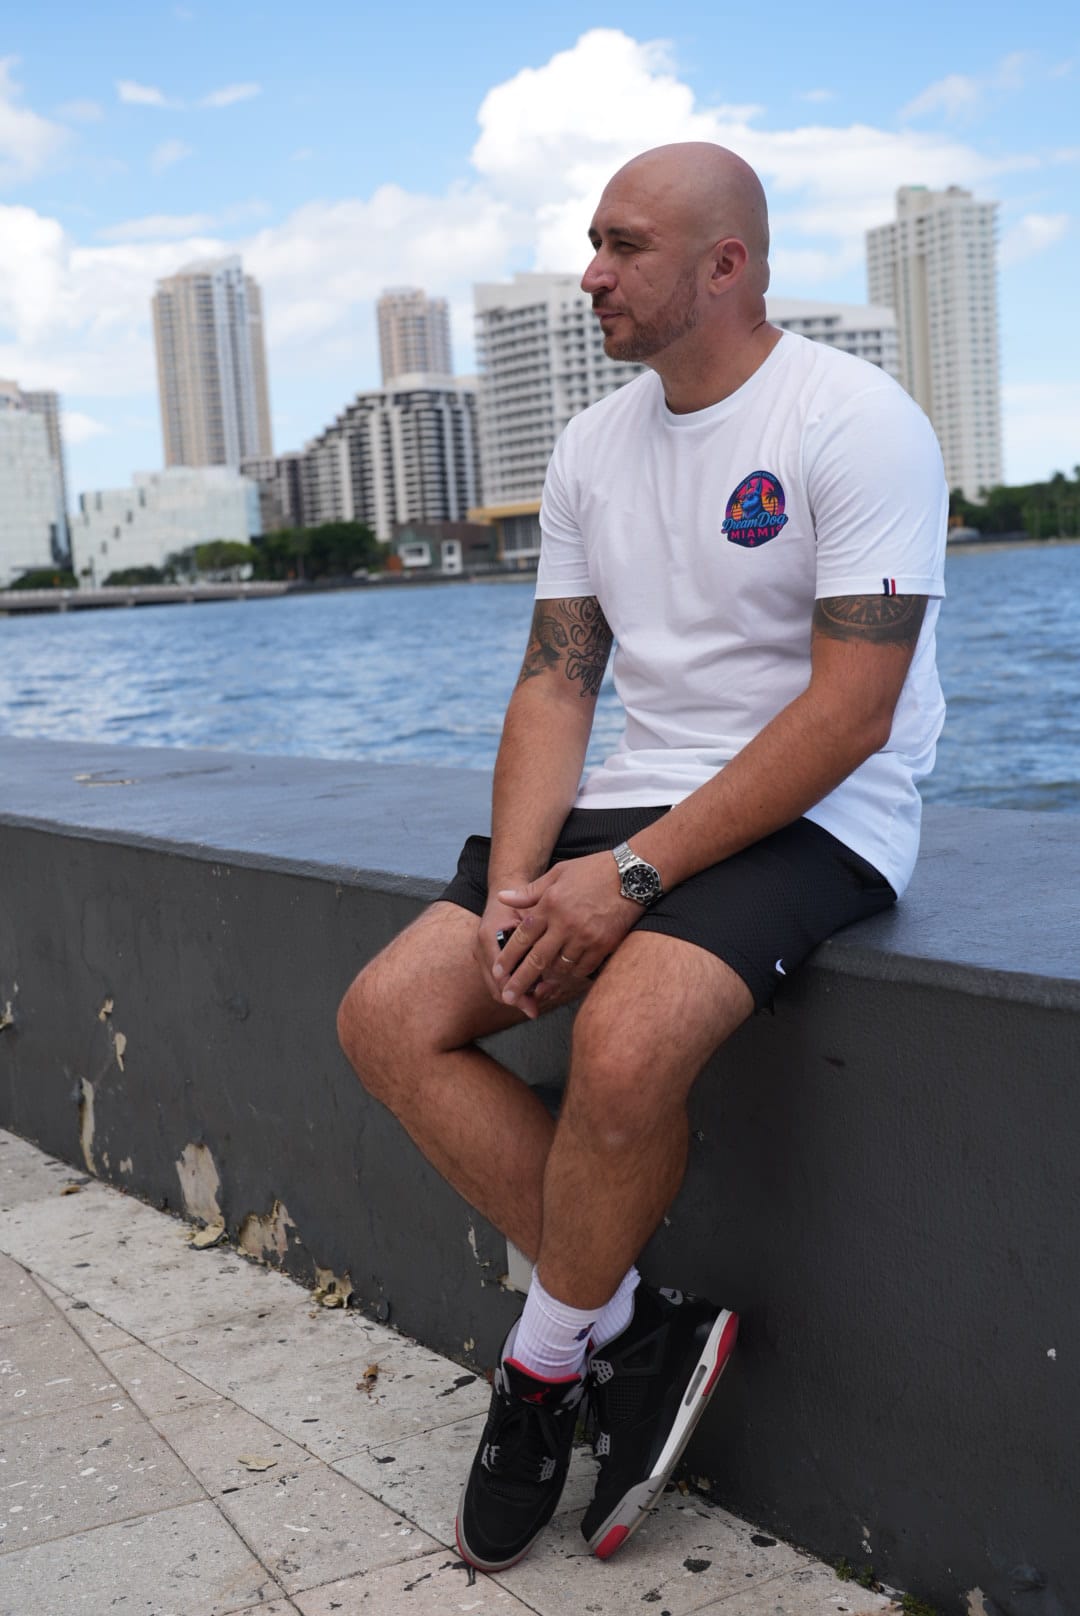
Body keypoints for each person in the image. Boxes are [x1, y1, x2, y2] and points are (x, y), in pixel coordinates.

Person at [337, 141, 947, 1573]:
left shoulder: (856, 422)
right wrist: (517, 891)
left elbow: (853, 709)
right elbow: (560, 683)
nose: (592, 278)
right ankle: (635, 1330)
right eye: (591, 246)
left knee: (621, 1046)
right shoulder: (592, 446)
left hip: (820, 810)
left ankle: (543, 1372)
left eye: (622, 248)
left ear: (723, 266)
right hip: (637, 800)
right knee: (389, 1016)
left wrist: (626, 883)